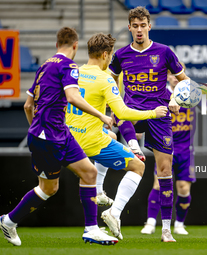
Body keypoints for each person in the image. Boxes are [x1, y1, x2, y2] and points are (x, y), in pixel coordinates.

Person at [0, 27, 117, 246]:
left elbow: (27, 105)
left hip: (57, 133)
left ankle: (91, 229)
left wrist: (36, 128)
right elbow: (72, 97)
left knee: (90, 172)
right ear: (75, 45)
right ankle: (8, 221)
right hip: (50, 137)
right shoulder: (68, 66)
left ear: (56, 45)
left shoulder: (44, 66)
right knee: (49, 189)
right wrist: (101, 115)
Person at [65, 32, 168, 240]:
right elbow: (122, 113)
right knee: (139, 165)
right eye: (110, 56)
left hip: (68, 137)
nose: (111, 59)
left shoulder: (74, 72)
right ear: (105, 54)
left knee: (111, 136)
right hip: (89, 140)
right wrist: (153, 113)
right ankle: (113, 213)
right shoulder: (105, 79)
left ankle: (99, 190)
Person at [108, 6, 189, 242]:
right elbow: (110, 82)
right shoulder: (121, 55)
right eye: (135, 26)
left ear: (149, 26)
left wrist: (175, 98)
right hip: (132, 111)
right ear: (130, 27)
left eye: (143, 25)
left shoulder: (164, 52)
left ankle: (165, 230)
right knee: (121, 112)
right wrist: (111, 108)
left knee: (164, 172)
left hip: (160, 114)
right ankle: (134, 146)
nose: (140, 30)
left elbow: (186, 81)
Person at [141, 66, 207, 235]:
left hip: (186, 150)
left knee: (183, 188)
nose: (175, 78)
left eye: (179, 74)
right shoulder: (160, 94)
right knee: (158, 185)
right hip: (164, 148)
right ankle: (151, 223)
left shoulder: (193, 94)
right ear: (167, 76)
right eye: (172, 74)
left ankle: (180, 224)